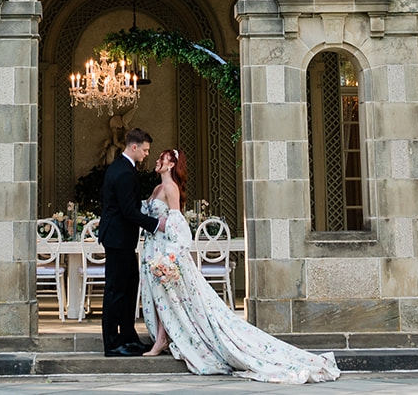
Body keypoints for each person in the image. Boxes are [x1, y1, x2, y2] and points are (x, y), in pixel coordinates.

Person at [138, 149, 340, 384]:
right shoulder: (157, 189)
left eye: (161, 158)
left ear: (171, 164)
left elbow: (177, 224)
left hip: (166, 251)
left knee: (170, 295)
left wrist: (169, 252)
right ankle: (164, 337)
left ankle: (162, 340)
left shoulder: (170, 188)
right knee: (163, 296)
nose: (157, 161)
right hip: (153, 248)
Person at [99, 126, 166, 356]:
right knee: (115, 290)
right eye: (145, 150)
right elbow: (128, 211)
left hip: (122, 239)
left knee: (129, 287)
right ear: (134, 147)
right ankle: (112, 343)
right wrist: (156, 224)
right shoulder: (124, 171)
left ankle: (128, 336)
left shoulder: (123, 167)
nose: (147, 154)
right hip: (117, 239)